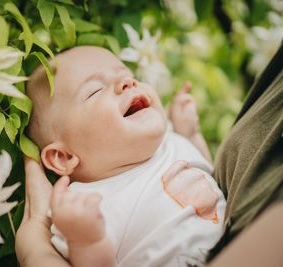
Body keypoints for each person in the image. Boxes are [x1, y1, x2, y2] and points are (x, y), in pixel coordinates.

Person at [15, 43, 283, 267]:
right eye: (95, 90)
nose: (127, 82)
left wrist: (190, 135)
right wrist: (85, 240)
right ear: (63, 157)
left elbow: (209, 181)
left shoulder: (170, 142)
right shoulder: (85, 204)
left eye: (126, 74)